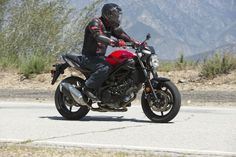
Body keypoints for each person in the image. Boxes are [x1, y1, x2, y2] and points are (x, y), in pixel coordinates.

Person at [81, 3, 137, 100]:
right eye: (115, 15)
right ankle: (88, 87)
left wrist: (136, 43)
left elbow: (122, 35)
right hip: (89, 57)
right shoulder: (95, 23)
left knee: (119, 65)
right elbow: (98, 36)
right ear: (108, 15)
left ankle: (113, 91)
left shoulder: (111, 26)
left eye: (118, 16)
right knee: (105, 68)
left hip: (100, 57)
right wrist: (114, 42)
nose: (117, 18)